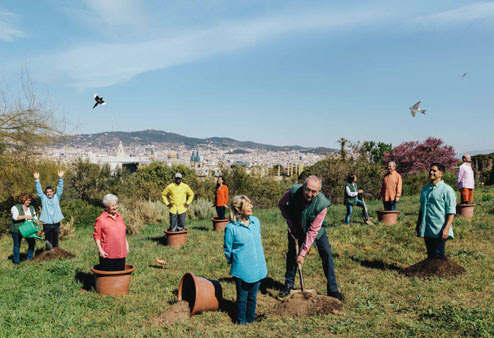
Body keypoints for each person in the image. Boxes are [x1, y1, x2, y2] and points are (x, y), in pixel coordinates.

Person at [278, 175, 344, 301]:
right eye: (307, 189)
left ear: (319, 191)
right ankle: (288, 285)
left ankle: (333, 290)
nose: (309, 194)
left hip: (316, 231)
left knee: (327, 254)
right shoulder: (293, 192)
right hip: (295, 227)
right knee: (292, 254)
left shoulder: (322, 204)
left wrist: (303, 253)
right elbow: (281, 205)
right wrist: (291, 223)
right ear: (303, 187)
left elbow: (313, 231)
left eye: (314, 191)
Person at [224, 195, 267, 325]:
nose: (252, 207)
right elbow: (228, 248)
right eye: (248, 205)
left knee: (253, 297)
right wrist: (235, 262)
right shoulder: (231, 228)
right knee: (242, 298)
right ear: (239, 209)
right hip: (242, 268)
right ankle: (241, 322)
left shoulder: (255, 221)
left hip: (258, 266)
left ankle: (250, 320)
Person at [416, 163, 456, 259]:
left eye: (434, 171)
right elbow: (421, 209)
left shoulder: (447, 190)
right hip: (427, 228)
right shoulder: (425, 189)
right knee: (430, 255)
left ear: (441, 173)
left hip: (440, 228)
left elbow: (451, 212)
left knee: (439, 254)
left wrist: (446, 229)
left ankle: (441, 273)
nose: (431, 172)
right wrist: (418, 226)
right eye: (430, 170)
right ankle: (430, 273)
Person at [93, 194, 129, 271]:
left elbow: (123, 234)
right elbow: (97, 236)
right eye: (112, 206)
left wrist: (126, 245)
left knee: (119, 276)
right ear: (107, 207)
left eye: (116, 204)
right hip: (108, 255)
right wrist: (100, 250)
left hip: (121, 253)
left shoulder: (120, 217)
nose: (115, 207)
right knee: (108, 278)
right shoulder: (101, 219)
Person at [34, 170, 64, 249]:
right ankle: (49, 255)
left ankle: (56, 255)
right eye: (47, 192)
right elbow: (39, 191)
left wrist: (60, 178)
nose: (49, 193)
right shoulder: (43, 198)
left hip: (56, 222)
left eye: (50, 192)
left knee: (55, 240)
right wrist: (37, 180)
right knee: (48, 241)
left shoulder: (56, 197)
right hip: (47, 223)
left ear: (53, 192)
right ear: (45, 193)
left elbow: (60, 188)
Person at [10, 194, 37, 264]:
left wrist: (35, 220)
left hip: (28, 229)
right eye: (27, 200)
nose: (29, 202)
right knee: (17, 246)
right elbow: (15, 217)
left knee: (32, 243)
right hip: (17, 229)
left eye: (30, 200)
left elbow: (34, 216)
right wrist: (26, 216)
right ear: (23, 200)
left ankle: (29, 258)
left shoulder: (31, 207)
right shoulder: (15, 207)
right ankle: (16, 262)